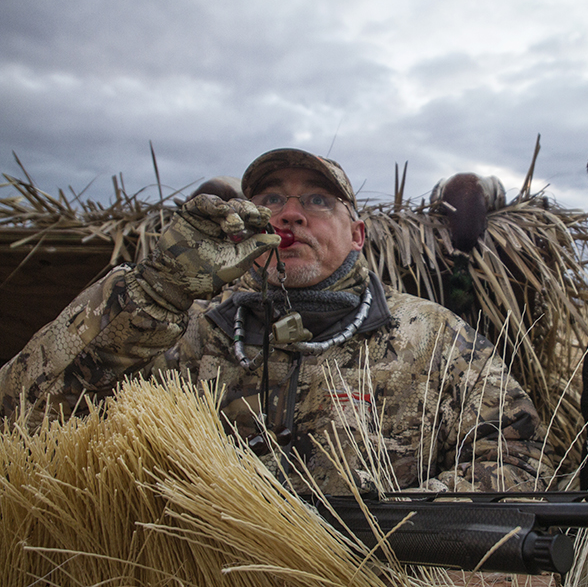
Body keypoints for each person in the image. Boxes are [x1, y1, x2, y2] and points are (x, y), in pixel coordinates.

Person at [0, 148, 553, 494]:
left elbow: (527, 460)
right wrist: (154, 291)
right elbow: (22, 420)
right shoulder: (187, 330)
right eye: (270, 199)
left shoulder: (432, 336)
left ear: (357, 235)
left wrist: (391, 537)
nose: (290, 213)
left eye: (317, 200)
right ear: (244, 224)